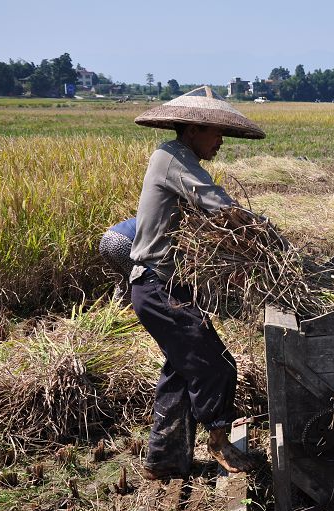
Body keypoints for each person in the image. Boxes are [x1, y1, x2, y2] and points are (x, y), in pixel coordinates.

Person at [129, 86, 266, 480]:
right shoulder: (172, 157)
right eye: (215, 133)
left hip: (164, 286)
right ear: (193, 129)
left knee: (181, 370)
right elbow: (218, 204)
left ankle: (164, 461)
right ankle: (220, 444)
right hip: (158, 286)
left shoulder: (179, 156)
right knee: (216, 366)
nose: (220, 141)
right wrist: (264, 231)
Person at [98, 218, 136, 303]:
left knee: (122, 279)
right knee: (140, 277)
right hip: (121, 241)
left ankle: (120, 306)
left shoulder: (145, 215)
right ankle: (145, 306)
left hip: (106, 238)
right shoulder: (163, 220)